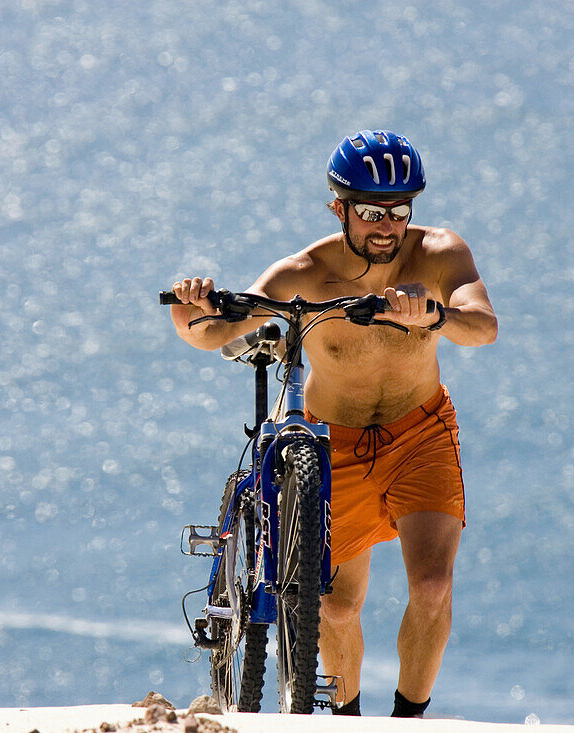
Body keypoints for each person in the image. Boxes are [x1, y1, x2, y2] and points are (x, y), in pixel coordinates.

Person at [168, 130, 497, 717]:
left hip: (418, 433)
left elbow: (484, 325)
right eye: (372, 211)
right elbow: (217, 331)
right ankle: (346, 723)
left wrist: (436, 313)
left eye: (400, 211)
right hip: (331, 444)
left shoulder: (441, 254)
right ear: (339, 208)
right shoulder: (304, 274)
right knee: (338, 609)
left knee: (431, 585)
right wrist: (190, 312)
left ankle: (408, 721)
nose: (387, 226)